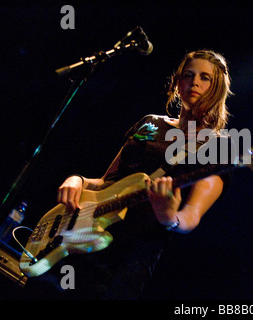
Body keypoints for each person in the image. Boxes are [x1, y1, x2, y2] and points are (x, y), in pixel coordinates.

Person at [53, 49, 234, 299]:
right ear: (177, 82)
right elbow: (106, 182)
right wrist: (78, 180)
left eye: (205, 78)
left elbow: (191, 216)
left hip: (125, 261)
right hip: (82, 237)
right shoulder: (150, 122)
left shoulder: (218, 147)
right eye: (188, 75)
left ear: (218, 89)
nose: (194, 82)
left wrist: (168, 215)